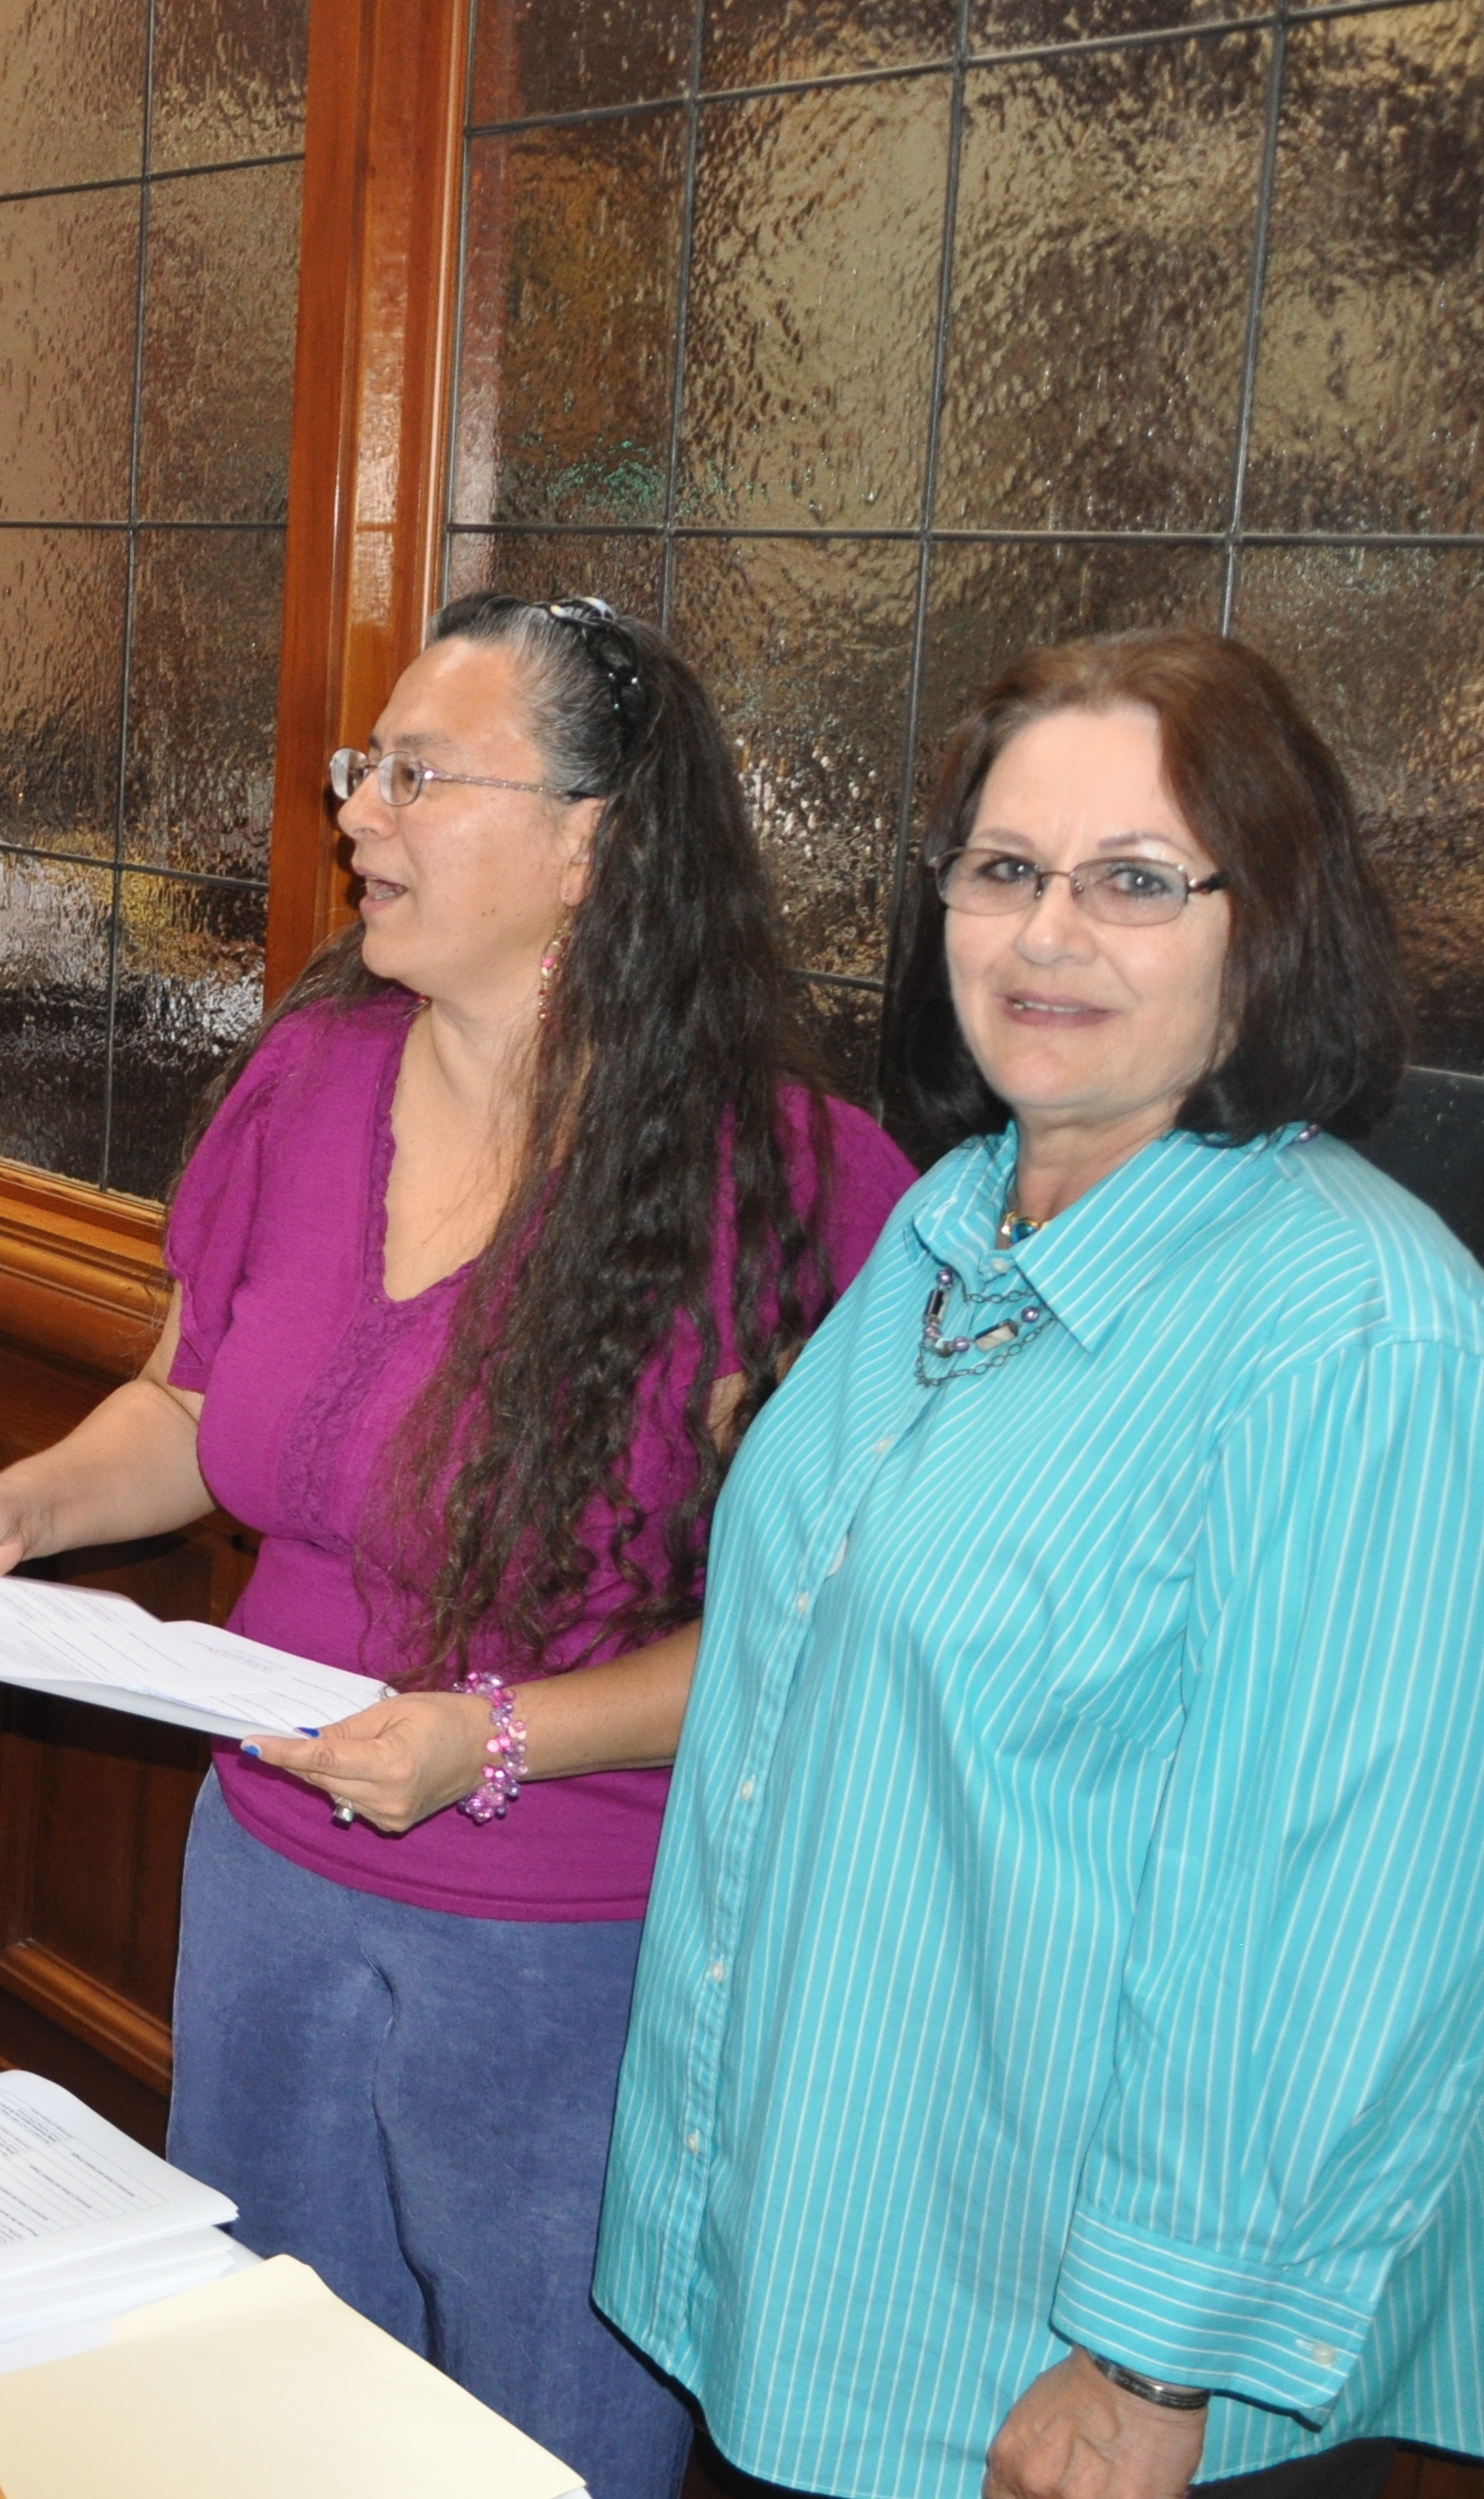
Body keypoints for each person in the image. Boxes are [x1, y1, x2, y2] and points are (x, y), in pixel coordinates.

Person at [0, 595, 915, 2497]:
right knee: (260, 2431)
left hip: (566, 1954)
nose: (354, 811)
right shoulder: (310, 1075)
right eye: (364, 767)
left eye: (417, 775)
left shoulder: (790, 1185)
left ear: (591, 839)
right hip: (266, 1879)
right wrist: (23, 1500)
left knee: (534, 2451)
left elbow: (823, 1628)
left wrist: (496, 1735)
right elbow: (189, 1407)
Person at [597, 631, 1482, 2499]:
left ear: (1269, 923)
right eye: (1003, 869)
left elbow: (1342, 1921)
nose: (1043, 933)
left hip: (1071, 2375)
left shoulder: (1360, 1329)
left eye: (1134, 881)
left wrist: (1151, 2360)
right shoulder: (949, 1218)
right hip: (823, 2269)